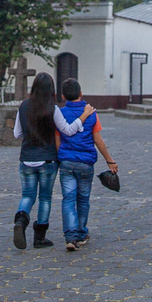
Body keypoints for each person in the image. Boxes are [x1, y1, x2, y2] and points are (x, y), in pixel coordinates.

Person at [12, 72, 89, 250]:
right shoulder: (53, 109)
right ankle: (39, 237)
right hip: (47, 160)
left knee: (27, 195)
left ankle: (21, 221)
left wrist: (30, 132)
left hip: (27, 159)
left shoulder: (24, 106)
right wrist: (83, 117)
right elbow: (67, 130)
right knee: (45, 198)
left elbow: (17, 133)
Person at [55, 79, 117, 252]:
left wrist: (62, 157)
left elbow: (57, 140)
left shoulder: (60, 113)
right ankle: (82, 233)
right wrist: (109, 160)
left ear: (63, 96)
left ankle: (70, 236)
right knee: (83, 199)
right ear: (81, 94)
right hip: (86, 162)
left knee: (68, 198)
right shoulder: (91, 114)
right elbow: (98, 140)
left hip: (67, 162)